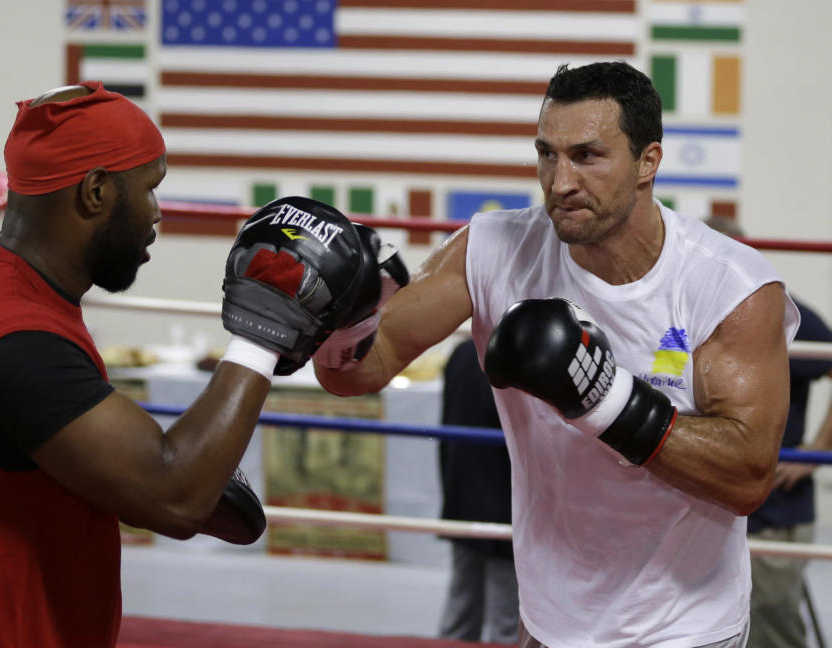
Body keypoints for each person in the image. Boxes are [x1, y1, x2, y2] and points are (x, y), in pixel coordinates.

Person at [0, 81, 398, 647]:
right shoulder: (16, 343)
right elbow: (176, 498)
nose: (156, 213)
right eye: (149, 189)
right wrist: (263, 333)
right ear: (96, 192)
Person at [311, 61, 800, 647]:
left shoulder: (728, 287)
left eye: (588, 156)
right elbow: (362, 368)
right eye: (548, 154)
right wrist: (340, 320)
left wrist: (604, 399)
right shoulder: (495, 249)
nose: (560, 181)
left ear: (649, 162)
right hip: (549, 620)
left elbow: (748, 478)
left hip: (685, 627)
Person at [705, 215, 832, 648]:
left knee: (771, 629)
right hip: (704, 507)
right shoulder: (683, 313)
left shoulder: (778, 309)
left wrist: (816, 450)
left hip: (774, 510)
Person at [437, 338, 518, 644]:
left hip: (462, 496)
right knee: (507, 621)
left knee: (461, 610)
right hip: (505, 503)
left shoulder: (462, 353)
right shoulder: (519, 354)